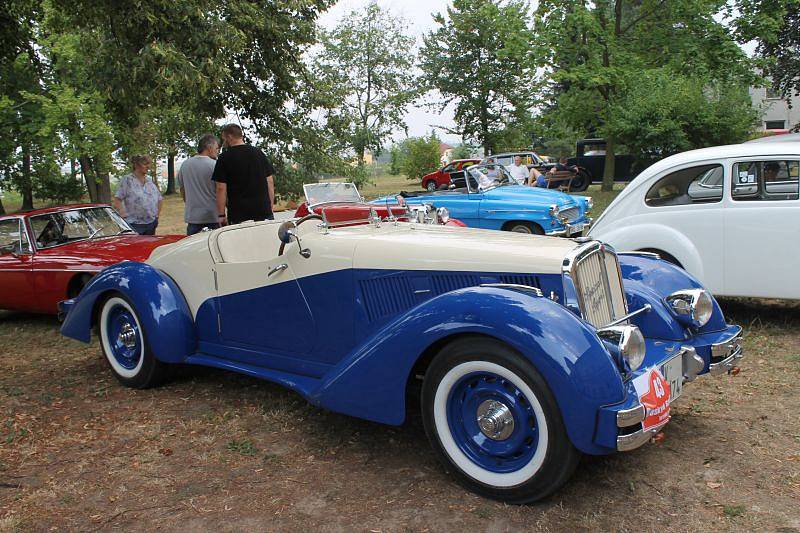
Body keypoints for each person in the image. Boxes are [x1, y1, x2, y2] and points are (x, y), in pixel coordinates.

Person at [212, 124, 275, 225]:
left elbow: (220, 188)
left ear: (230, 137)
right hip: (263, 210)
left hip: (239, 214)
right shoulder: (259, 153)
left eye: (224, 139)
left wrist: (221, 214)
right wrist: (270, 206)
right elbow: (270, 181)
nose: (224, 143)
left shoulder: (224, 158)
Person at [178, 134, 221, 235]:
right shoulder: (214, 165)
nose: (217, 151)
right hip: (212, 217)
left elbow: (182, 189)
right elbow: (220, 189)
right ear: (209, 148)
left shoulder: (185, 165)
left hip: (193, 217)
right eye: (216, 148)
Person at [114, 155, 163, 235]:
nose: (148, 166)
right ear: (136, 165)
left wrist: (157, 216)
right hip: (134, 224)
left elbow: (160, 199)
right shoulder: (128, 180)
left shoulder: (149, 181)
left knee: (149, 246)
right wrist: (122, 213)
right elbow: (117, 199)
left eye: (149, 164)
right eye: (145, 164)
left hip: (150, 223)